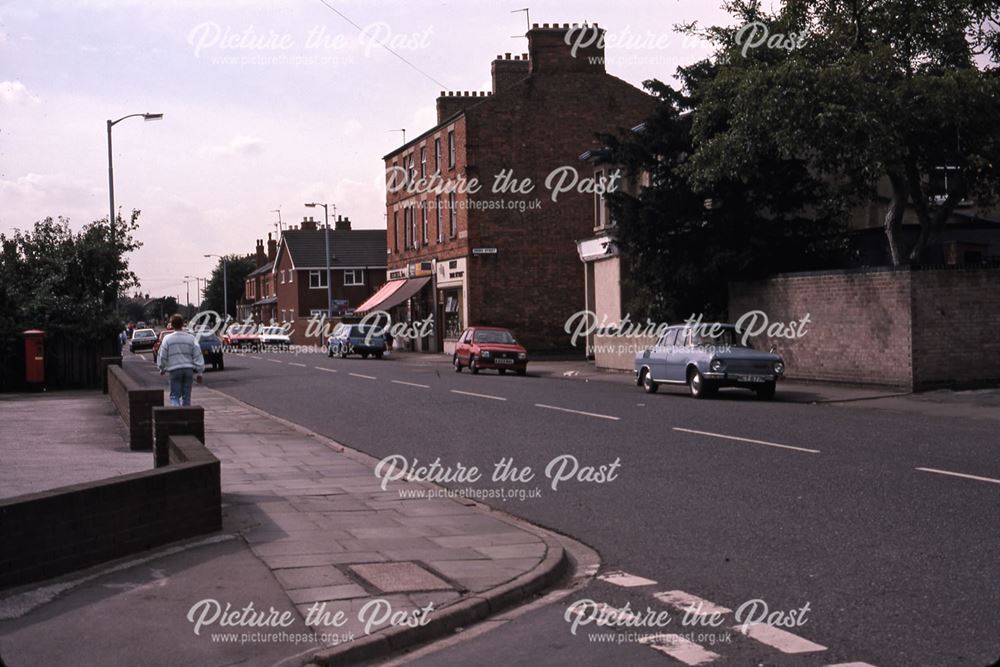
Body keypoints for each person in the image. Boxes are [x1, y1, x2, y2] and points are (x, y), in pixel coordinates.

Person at [157, 314, 205, 407]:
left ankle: (177, 415)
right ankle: (186, 417)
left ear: (172, 325)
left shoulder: (167, 339)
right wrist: (200, 372)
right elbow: (197, 355)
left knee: (175, 396)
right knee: (186, 396)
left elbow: (162, 356)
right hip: (188, 370)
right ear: (183, 324)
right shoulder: (191, 338)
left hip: (174, 370)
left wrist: (162, 368)